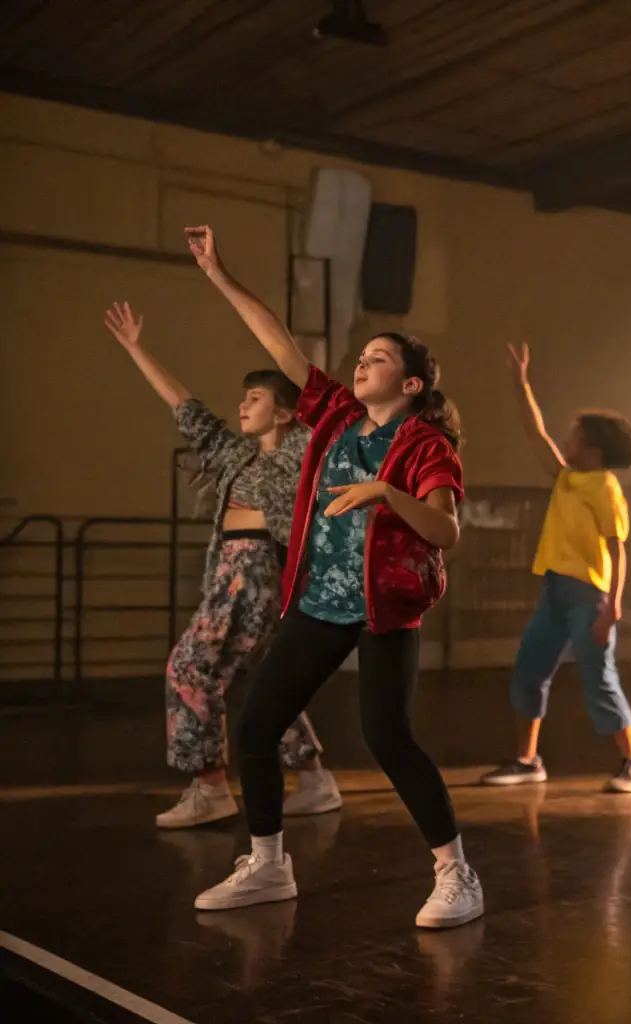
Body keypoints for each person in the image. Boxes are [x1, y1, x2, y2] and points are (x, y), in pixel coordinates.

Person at [182, 226, 480, 930]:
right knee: (255, 723)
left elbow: (445, 531)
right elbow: (277, 340)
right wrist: (219, 274)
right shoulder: (339, 416)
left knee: (386, 736)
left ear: (409, 385)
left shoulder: (425, 444)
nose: (361, 363)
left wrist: (385, 494)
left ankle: (455, 874)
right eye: (361, 356)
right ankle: (267, 865)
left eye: (378, 359)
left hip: (385, 610)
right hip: (320, 602)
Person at [103, 302, 341, 829]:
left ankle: (209, 785)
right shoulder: (237, 457)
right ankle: (316, 780)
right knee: (268, 681)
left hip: (254, 575)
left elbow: (311, 402)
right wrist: (136, 348)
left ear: (283, 413)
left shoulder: (302, 448)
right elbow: (186, 406)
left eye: (255, 398)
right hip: (238, 573)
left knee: (190, 666)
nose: (242, 404)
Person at [480, 343, 631, 793]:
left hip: (589, 598)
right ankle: (527, 760)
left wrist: (612, 607)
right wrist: (521, 384)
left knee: (599, 678)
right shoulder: (566, 478)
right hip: (555, 591)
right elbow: (536, 434)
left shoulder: (605, 487)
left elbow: (618, 549)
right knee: (529, 671)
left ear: (593, 449)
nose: (566, 441)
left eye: (574, 437)